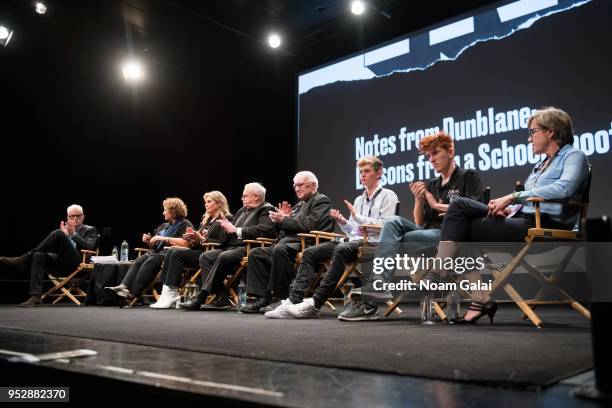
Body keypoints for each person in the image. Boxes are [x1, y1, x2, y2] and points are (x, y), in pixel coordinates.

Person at [425, 106, 589, 324]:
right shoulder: (541, 164)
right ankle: (476, 295)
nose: (529, 138)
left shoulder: (574, 156)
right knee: (460, 214)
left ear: (551, 131)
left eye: (533, 132)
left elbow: (564, 189)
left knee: (459, 217)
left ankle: (454, 280)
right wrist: (508, 209)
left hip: (544, 224)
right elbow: (527, 202)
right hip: (521, 219)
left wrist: (513, 197)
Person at [341, 131, 483, 321]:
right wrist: (418, 200)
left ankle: (371, 300)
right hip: (428, 232)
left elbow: (476, 210)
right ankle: (379, 284)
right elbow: (420, 222)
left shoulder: (467, 176)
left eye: (435, 153)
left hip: (450, 236)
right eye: (428, 156)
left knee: (392, 238)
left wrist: (435, 204)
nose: (431, 159)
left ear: (450, 152)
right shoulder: (432, 184)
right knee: (392, 222)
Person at [264, 156, 398, 319]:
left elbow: (386, 227)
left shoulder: (388, 195)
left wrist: (358, 218)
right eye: (360, 172)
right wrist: (343, 222)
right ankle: (293, 300)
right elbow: (353, 231)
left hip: (375, 243)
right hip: (355, 240)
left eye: (367, 171)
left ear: (379, 173)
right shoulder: (359, 199)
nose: (362, 175)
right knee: (311, 252)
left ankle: (315, 303)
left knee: (341, 248)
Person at [240, 171, 334, 313]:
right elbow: (286, 227)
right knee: (257, 253)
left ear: (313, 185)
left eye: (300, 185)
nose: (297, 189)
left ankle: (281, 297)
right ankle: (262, 298)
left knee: (280, 250)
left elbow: (309, 225)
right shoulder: (299, 205)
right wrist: (278, 220)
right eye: (295, 185)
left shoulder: (321, 201)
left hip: (307, 243)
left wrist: (284, 219)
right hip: (288, 243)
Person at [178, 182, 277, 310]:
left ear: (256, 196)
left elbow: (264, 230)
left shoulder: (266, 209)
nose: (242, 199)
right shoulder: (242, 210)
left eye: (245, 196)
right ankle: (221, 296)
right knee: (206, 256)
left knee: (224, 256)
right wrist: (209, 235)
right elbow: (229, 232)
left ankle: (202, 296)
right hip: (231, 247)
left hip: (249, 247)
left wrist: (236, 230)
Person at [147, 191, 233, 308]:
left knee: (176, 253)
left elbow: (223, 242)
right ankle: (167, 291)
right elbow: (199, 242)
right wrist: (192, 239)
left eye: (209, 202)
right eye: (205, 202)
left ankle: (172, 292)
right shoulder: (207, 220)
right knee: (172, 251)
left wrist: (201, 238)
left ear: (219, 204)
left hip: (212, 255)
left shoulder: (226, 218)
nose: (205, 205)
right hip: (202, 252)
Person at [0, 204, 98, 307]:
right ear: (67, 217)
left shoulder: (90, 230)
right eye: (72, 216)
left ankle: (24, 258)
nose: (75, 218)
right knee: (38, 255)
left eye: (78, 215)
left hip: (77, 263)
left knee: (57, 233)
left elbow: (89, 247)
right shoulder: (64, 231)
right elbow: (51, 249)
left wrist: (72, 234)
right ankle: (35, 296)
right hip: (60, 262)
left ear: (83, 216)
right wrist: (66, 235)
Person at [103, 198, 192, 307]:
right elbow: (156, 245)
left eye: (165, 210)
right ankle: (123, 286)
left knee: (150, 261)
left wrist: (164, 239)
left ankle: (131, 295)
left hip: (170, 255)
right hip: (157, 253)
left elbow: (186, 243)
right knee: (140, 259)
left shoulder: (185, 224)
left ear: (173, 211)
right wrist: (149, 242)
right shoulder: (164, 226)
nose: (163, 212)